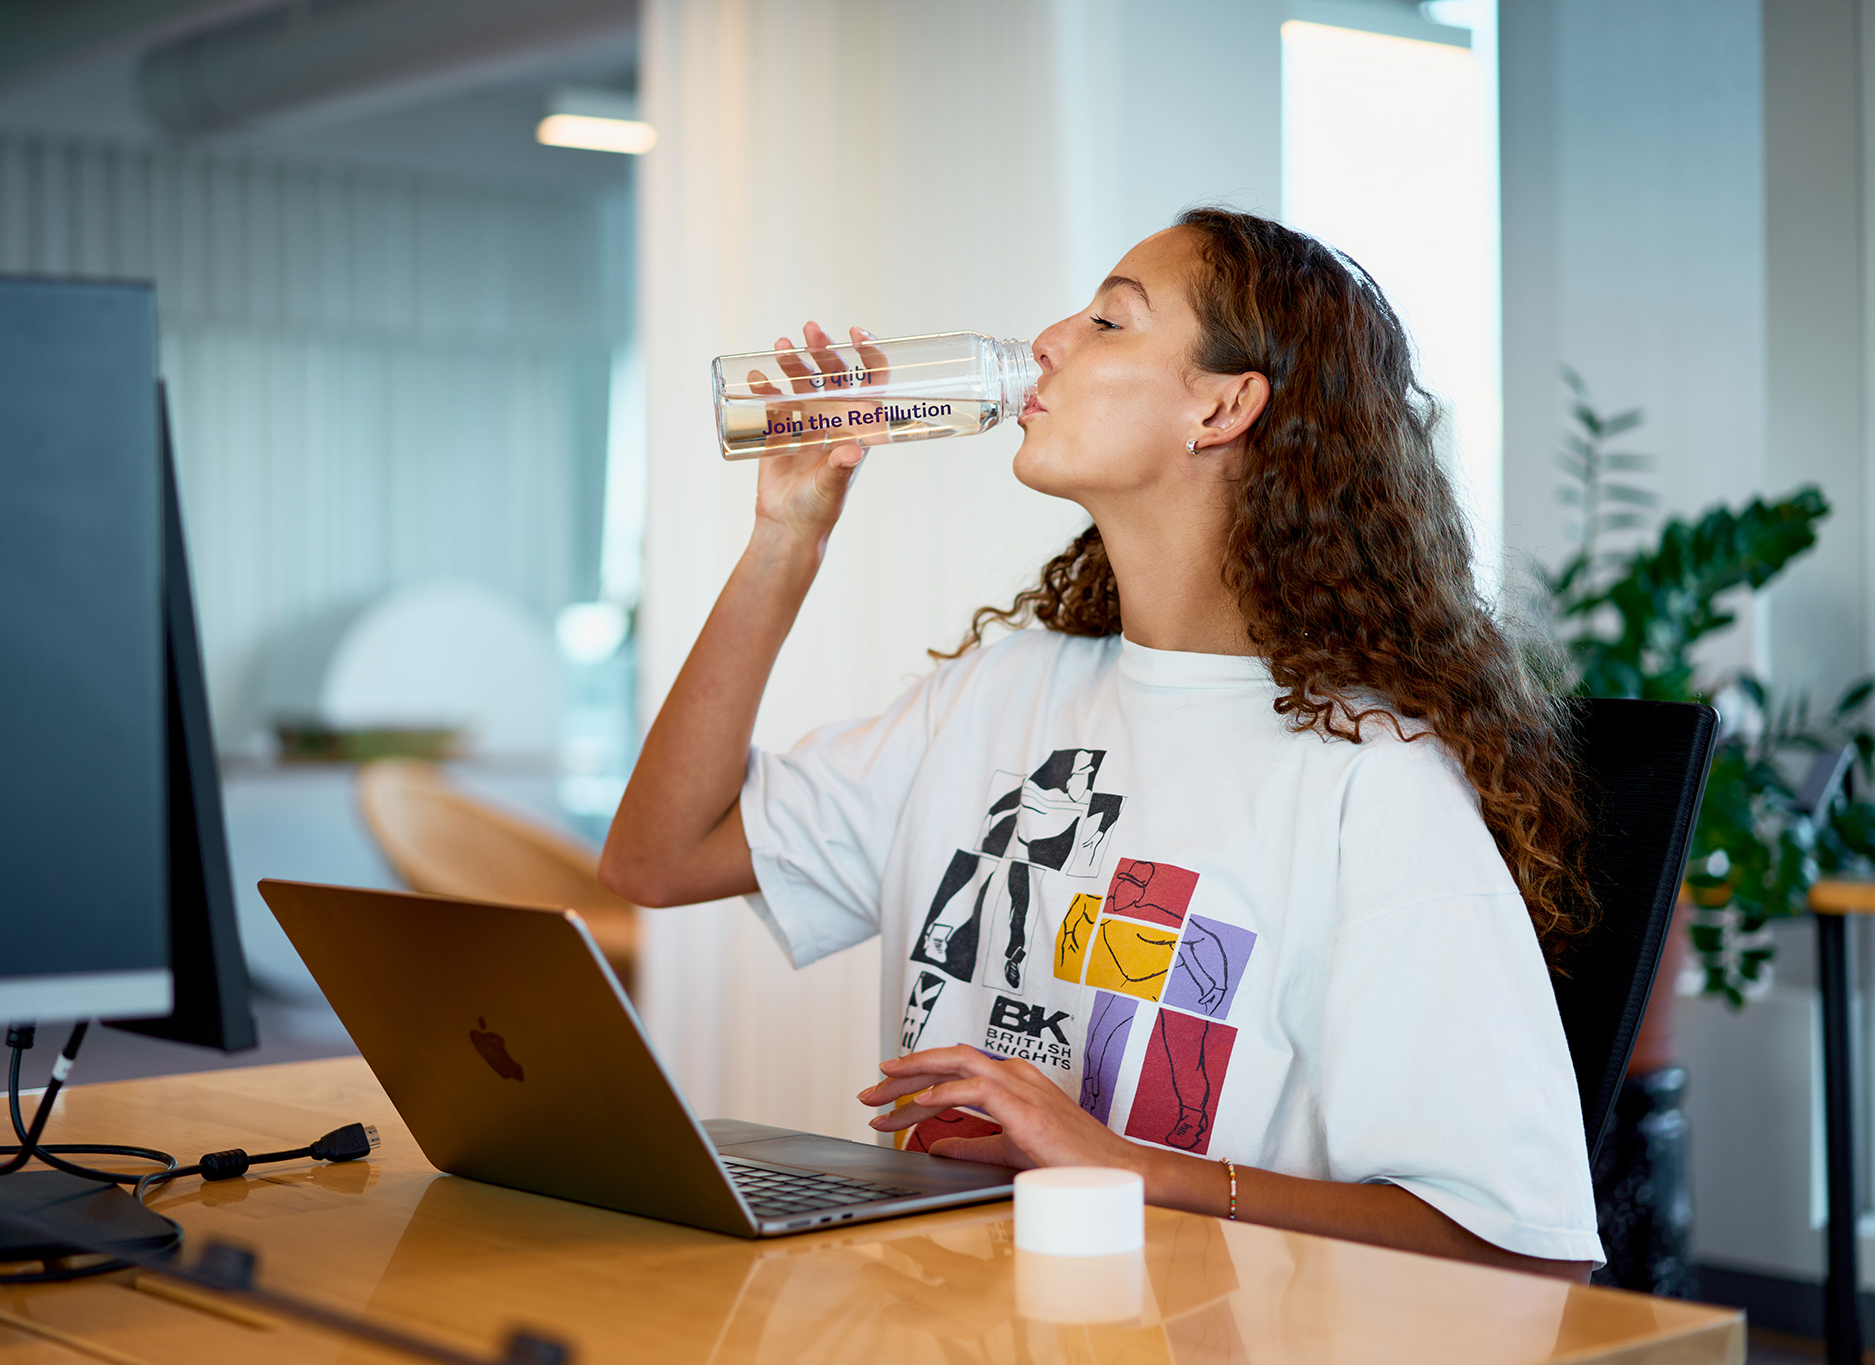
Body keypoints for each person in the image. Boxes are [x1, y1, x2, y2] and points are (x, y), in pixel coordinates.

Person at [600, 207, 1603, 1280]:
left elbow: (1526, 1257)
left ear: (1221, 406)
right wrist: (784, 537)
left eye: (1109, 323)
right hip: (939, 1314)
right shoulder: (999, 694)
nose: (1047, 340)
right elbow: (656, 860)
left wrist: (1129, 1169)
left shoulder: (1368, 776)